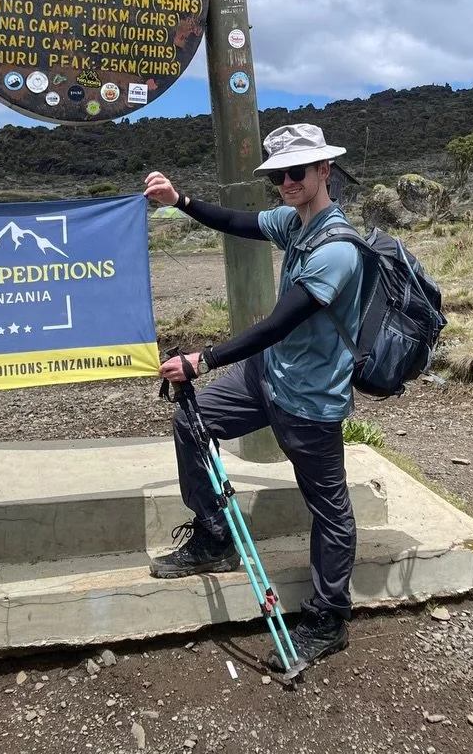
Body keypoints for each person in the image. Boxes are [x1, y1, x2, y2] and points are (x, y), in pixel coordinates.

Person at [144, 122, 363, 671]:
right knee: (192, 423)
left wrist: (203, 360)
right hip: (266, 377)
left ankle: (329, 616)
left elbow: (279, 324)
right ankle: (214, 535)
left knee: (329, 510)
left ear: (324, 171)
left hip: (309, 399)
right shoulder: (295, 223)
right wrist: (182, 201)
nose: (285, 182)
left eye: (296, 172)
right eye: (277, 175)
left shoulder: (337, 250)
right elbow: (239, 222)